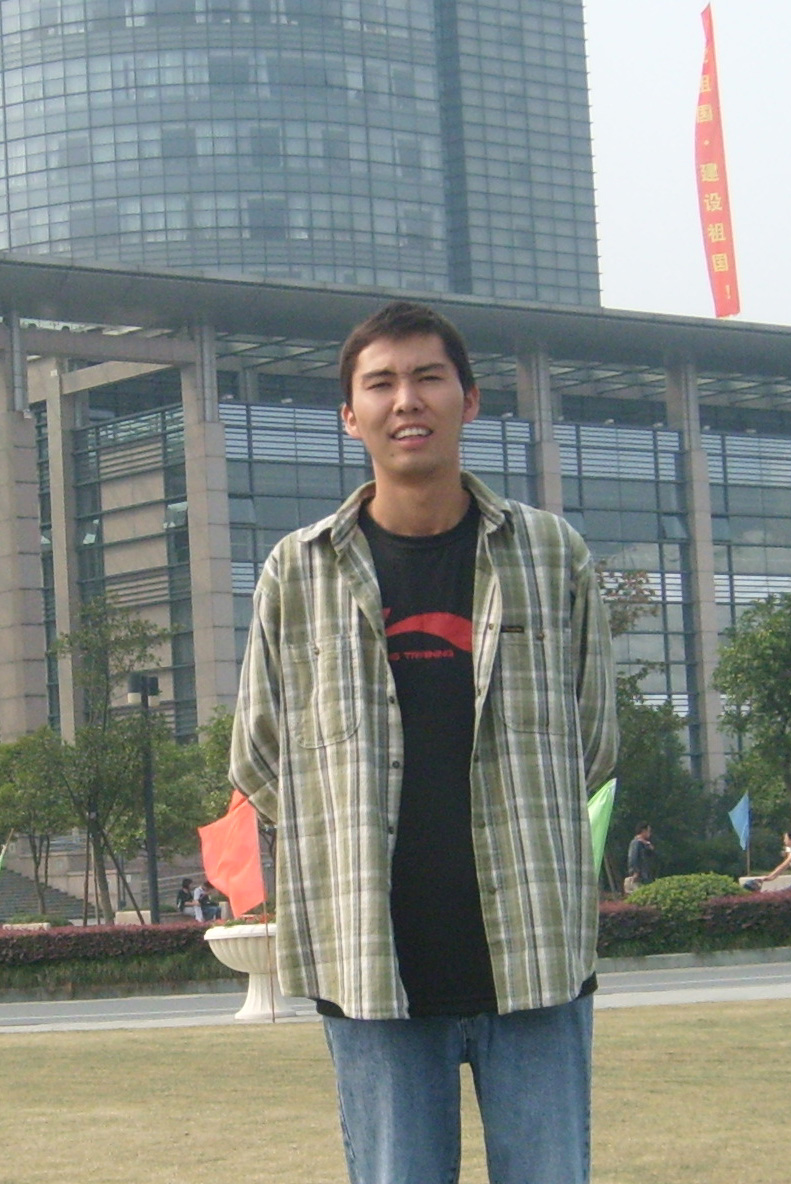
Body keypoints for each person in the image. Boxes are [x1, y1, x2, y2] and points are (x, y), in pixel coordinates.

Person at [230, 300, 618, 1184]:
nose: (406, 400)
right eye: (381, 384)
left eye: (428, 377)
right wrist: (344, 845)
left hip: (535, 954)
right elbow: (259, 753)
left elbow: (594, 740)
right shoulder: (299, 570)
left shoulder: (550, 555)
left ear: (468, 399)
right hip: (372, 968)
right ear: (351, 414)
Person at [625, 822, 656, 892]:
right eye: (648, 831)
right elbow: (633, 858)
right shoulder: (636, 843)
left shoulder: (644, 843)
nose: (650, 833)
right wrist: (635, 872)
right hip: (641, 875)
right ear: (643, 831)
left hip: (647, 874)